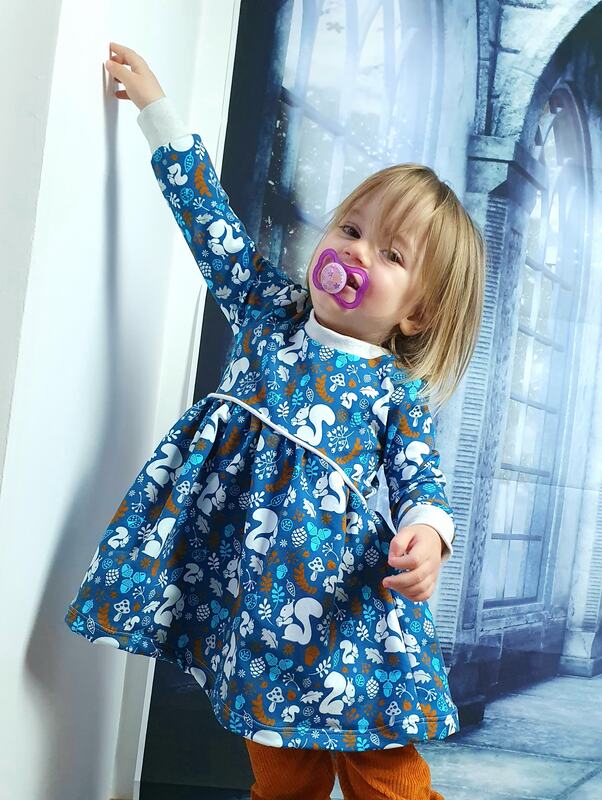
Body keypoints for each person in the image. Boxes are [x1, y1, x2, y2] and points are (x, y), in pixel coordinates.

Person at [64, 42, 485, 800]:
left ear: (417, 312)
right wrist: (158, 114)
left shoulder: (392, 391)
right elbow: (212, 228)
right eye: (350, 229)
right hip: (258, 606)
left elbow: (421, 482)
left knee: (384, 776)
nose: (355, 253)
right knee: (280, 774)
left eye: (390, 254)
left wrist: (429, 538)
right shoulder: (269, 315)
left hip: (349, 613)